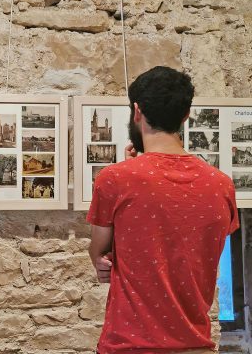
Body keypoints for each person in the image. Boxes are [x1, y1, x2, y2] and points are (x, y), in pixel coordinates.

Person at [87, 66, 239, 353]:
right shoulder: (221, 185)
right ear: (185, 116)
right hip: (196, 345)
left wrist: (128, 170)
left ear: (136, 111)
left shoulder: (115, 179)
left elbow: (99, 253)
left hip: (129, 345)